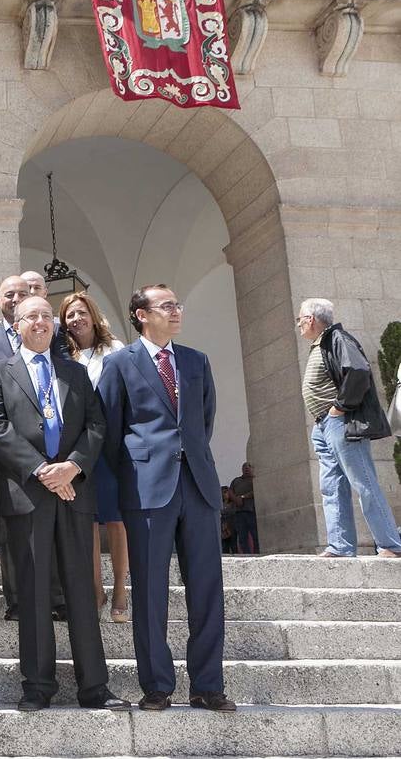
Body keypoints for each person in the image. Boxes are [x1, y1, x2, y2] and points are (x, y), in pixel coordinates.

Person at [0, 296, 129, 713]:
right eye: (34, 316)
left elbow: (97, 425)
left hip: (74, 494)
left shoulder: (76, 372)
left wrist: (73, 467)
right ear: (17, 323)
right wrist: (42, 470)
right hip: (27, 496)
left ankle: (95, 688)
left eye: (48, 316)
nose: (42, 323)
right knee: (33, 593)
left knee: (82, 591)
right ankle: (37, 686)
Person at [97, 284, 234, 713]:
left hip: (198, 487)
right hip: (146, 490)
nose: (177, 311)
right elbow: (109, 432)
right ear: (141, 314)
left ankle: (208, 685)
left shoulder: (196, 361)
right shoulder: (120, 364)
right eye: (167, 305)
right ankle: (157, 685)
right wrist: (137, 473)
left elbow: (203, 422)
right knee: (151, 591)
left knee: (208, 589)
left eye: (178, 305)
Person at [0, 275, 63, 621]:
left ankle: (56, 597)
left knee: (53, 529)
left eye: (21, 294)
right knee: (12, 532)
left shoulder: (50, 336)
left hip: (54, 450)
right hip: (6, 452)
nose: (15, 298)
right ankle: (17, 600)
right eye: (8, 294)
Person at [296, 298, 401, 558]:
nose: (298, 324)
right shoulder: (320, 344)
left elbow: (358, 370)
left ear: (310, 319)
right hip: (323, 426)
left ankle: (390, 544)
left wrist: (339, 407)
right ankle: (340, 546)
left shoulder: (337, 339)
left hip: (339, 422)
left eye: (300, 319)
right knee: (331, 487)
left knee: (363, 482)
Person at [59, 291, 131, 623]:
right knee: (86, 521)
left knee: (115, 519)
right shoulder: (63, 356)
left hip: (112, 447)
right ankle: (95, 590)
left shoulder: (116, 351)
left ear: (93, 314)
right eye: (70, 315)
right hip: (80, 447)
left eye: (81, 312)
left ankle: (119, 589)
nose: (76, 319)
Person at [228, 463, 258, 554]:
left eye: (249, 466)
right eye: (244, 467)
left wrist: (243, 497)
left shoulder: (255, 480)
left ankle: (257, 554)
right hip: (238, 512)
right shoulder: (236, 481)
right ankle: (246, 554)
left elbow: (256, 491)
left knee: (255, 535)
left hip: (251, 511)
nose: (246, 468)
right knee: (242, 536)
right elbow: (230, 491)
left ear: (253, 468)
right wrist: (236, 499)